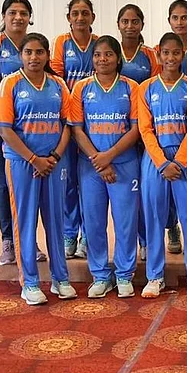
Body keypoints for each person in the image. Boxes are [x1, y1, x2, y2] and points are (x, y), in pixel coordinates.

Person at [0, 32, 77, 305]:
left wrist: (53, 156)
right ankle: (29, 282)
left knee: (56, 221)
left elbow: (68, 124)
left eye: (39, 52)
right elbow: (5, 130)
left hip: (54, 162)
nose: (34, 57)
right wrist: (33, 159)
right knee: (26, 223)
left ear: (46, 55)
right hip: (22, 164)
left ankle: (60, 278)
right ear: (21, 55)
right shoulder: (10, 84)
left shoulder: (58, 85)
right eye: (28, 52)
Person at [0, 0, 47, 265]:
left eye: (23, 13)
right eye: (13, 12)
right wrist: (9, 121)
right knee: (6, 184)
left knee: (31, 184)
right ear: (3, 16)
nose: (18, 17)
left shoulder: (34, 45)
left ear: (30, 17)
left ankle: (29, 242)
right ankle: (8, 241)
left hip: (32, 127)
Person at [69, 36, 141, 299]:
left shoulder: (131, 87)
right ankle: (100, 274)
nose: (103, 59)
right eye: (98, 55)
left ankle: (124, 275)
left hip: (124, 165)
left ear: (118, 58)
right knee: (94, 223)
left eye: (109, 54)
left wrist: (109, 156)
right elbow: (77, 129)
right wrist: (98, 161)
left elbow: (136, 129)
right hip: (91, 167)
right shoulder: (81, 88)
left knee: (125, 222)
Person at [138, 33, 187, 299]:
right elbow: (145, 128)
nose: (171, 58)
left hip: (185, 161)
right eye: (166, 53)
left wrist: (180, 160)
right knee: (154, 217)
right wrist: (162, 162)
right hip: (156, 161)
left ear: (183, 55)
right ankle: (155, 276)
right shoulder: (146, 88)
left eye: (176, 53)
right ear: (158, 55)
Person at [115, 3, 173, 259]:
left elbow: (156, 86)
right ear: (118, 24)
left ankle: (162, 232)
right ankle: (142, 239)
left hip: (149, 124)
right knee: (134, 191)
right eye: (125, 21)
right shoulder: (112, 51)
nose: (130, 26)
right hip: (122, 126)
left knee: (152, 188)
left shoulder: (149, 54)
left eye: (134, 21)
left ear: (142, 24)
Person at [50, 0, 98, 260]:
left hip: (94, 123)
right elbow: (57, 77)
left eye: (85, 13)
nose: (80, 18)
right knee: (68, 182)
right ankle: (70, 233)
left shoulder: (99, 43)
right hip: (68, 122)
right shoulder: (61, 43)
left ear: (93, 17)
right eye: (75, 13)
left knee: (90, 182)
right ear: (69, 17)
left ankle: (88, 237)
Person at [157, 0, 187, 75]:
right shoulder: (158, 49)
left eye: (184, 18)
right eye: (175, 18)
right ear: (169, 20)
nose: (179, 23)